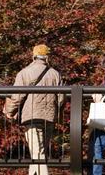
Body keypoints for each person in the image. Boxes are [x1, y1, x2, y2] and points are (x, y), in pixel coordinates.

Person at [4, 44, 63, 175]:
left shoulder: (24, 73)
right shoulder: (55, 74)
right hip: (49, 117)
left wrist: (9, 112)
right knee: (39, 152)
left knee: (38, 153)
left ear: (34, 56)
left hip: (31, 117)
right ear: (47, 57)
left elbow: (16, 96)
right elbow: (61, 99)